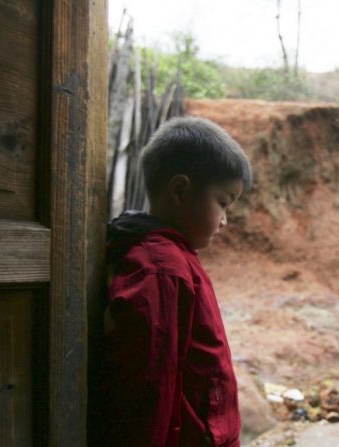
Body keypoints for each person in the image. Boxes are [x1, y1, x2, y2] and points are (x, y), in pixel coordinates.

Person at [102, 116, 251, 447]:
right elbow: (151, 389)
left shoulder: (175, 258)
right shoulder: (161, 271)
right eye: (222, 203)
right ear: (180, 190)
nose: (225, 220)